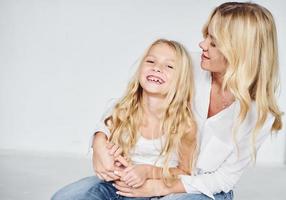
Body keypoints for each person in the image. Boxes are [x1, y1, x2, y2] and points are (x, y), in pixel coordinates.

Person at [52, 2, 283, 200]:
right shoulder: (185, 66)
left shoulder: (260, 114)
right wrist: (100, 141)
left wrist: (159, 186)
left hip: (197, 190)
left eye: (213, 42)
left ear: (240, 52)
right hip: (139, 172)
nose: (202, 45)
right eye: (206, 36)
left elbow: (222, 179)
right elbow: (129, 101)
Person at [52, 39, 197, 199]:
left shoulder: (185, 124)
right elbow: (101, 134)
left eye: (169, 66)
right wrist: (107, 155)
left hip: (157, 189)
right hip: (117, 184)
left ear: (181, 80)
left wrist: (147, 171)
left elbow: (185, 171)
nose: (157, 68)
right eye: (150, 61)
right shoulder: (122, 109)